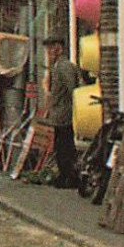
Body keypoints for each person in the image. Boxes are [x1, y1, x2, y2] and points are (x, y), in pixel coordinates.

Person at [44, 37, 81, 188]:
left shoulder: (64, 66)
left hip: (65, 114)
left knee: (65, 146)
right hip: (59, 113)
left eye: (51, 49)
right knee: (60, 146)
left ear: (58, 49)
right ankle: (64, 175)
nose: (48, 53)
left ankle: (70, 177)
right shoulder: (57, 66)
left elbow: (72, 88)